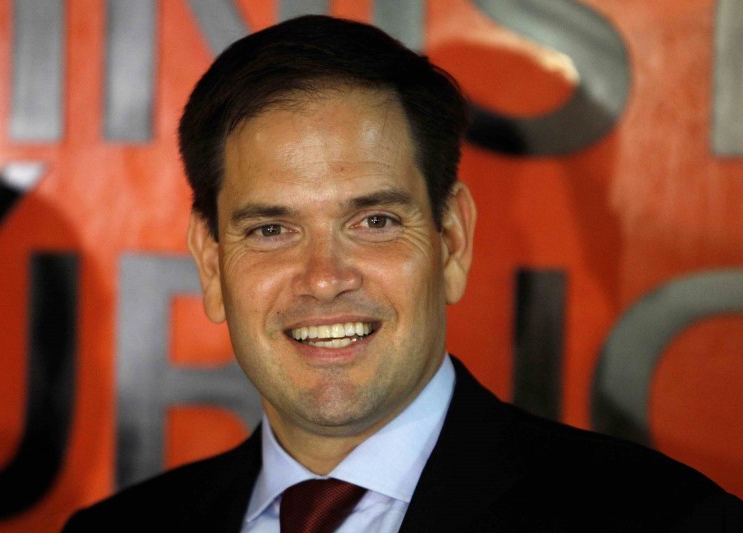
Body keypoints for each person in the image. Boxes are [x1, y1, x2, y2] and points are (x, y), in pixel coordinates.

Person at [64, 15, 743, 532]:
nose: (324, 278)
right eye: (272, 230)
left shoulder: (664, 520)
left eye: (375, 221)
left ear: (451, 241)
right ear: (211, 263)